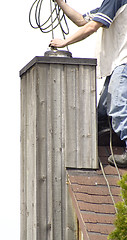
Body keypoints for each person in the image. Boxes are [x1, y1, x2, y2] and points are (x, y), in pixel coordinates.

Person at [49, 0, 127, 168]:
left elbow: (91, 27)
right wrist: (60, 3)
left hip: (123, 63)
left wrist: (64, 42)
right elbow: (82, 21)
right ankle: (106, 146)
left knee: (118, 107)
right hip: (116, 66)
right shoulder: (111, 5)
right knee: (102, 114)